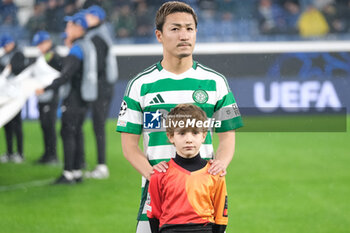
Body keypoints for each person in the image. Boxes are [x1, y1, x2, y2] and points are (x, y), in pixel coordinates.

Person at [116, 2, 243, 232]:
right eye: (175, 29)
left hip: (201, 194)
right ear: (159, 35)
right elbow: (129, 147)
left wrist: (219, 165)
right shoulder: (139, 85)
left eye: (189, 28)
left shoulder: (216, 82)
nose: (183, 35)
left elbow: (227, 137)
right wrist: (155, 175)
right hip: (158, 195)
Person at [147, 104, 228, 233]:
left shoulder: (215, 173)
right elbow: (154, 216)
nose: (189, 139)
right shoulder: (159, 174)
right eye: (182, 133)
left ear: (203, 136)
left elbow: (221, 218)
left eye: (195, 133)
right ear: (171, 136)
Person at [36, 13, 95, 184]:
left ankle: (68, 173)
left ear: (78, 28)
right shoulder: (87, 46)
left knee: (68, 133)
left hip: (74, 98)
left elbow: (65, 76)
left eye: (69, 26)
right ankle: (76, 172)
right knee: (76, 133)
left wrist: (45, 88)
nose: (66, 30)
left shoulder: (77, 49)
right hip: (85, 97)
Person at [83, 5, 118, 179]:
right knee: (97, 125)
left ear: (97, 18)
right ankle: (93, 163)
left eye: (89, 16)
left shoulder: (96, 38)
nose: (86, 18)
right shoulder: (102, 35)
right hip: (103, 86)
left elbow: (96, 66)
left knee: (98, 125)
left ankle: (102, 166)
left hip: (100, 87)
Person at [32, 30, 63, 164]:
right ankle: (47, 154)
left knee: (49, 125)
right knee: (44, 126)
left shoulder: (53, 56)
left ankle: (52, 155)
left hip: (51, 95)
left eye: (41, 43)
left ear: (48, 42)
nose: (39, 47)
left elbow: (62, 72)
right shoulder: (43, 55)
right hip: (42, 95)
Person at [0, 35, 27, 163]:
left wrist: (10, 68)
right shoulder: (4, 55)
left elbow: (20, 70)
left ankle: (20, 153)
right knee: (7, 125)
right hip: (5, 95)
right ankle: (10, 152)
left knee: (17, 125)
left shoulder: (18, 54)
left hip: (16, 95)